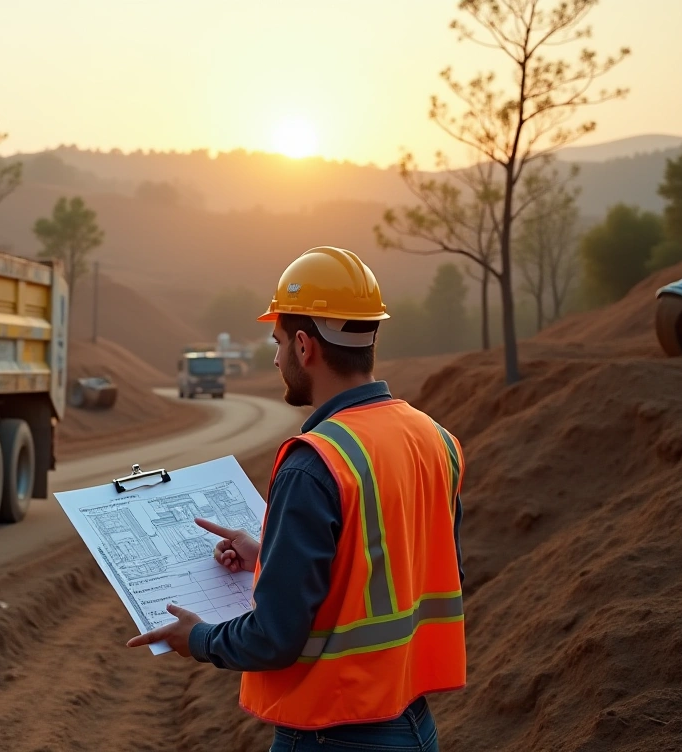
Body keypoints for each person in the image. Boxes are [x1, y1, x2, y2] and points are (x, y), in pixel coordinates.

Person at [126, 246, 466, 751]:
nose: (279, 355)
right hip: (415, 727)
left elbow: (273, 636)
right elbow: (400, 561)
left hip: (335, 732)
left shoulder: (316, 462)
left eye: (278, 341)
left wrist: (196, 638)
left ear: (304, 345)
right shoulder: (436, 439)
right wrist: (271, 554)